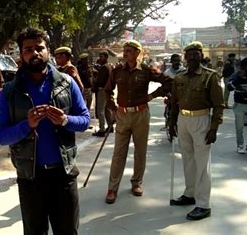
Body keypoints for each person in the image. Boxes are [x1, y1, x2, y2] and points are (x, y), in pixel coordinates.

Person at [0, 27, 89, 235]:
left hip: (64, 174)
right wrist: (26, 124)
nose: (35, 53)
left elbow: (84, 121)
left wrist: (65, 119)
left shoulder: (66, 83)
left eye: (40, 48)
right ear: (21, 54)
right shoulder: (10, 91)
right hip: (30, 177)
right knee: (35, 231)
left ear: (48, 51)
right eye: (28, 49)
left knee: (67, 231)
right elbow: (1, 135)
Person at [104, 40, 172, 203]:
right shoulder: (117, 70)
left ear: (137, 53)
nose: (125, 53)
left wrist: (152, 96)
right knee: (119, 153)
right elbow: (107, 90)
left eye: (129, 50)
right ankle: (112, 187)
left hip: (141, 114)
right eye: (124, 50)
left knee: (140, 151)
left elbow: (169, 82)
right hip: (122, 115)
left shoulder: (147, 70)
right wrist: (113, 108)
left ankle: (137, 182)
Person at [168, 41, 224, 221]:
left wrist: (214, 128)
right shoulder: (180, 77)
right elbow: (174, 102)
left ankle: (203, 204)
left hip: (201, 120)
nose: (192, 57)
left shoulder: (210, 77)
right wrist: (171, 123)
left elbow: (218, 105)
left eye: (195, 54)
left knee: (202, 163)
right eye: (189, 54)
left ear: (201, 55)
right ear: (185, 57)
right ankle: (190, 193)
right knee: (187, 159)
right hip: (183, 120)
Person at [92, 50, 112, 137]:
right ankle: (110, 126)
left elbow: (100, 80)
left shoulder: (104, 67)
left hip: (102, 90)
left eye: (101, 56)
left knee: (100, 110)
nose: (100, 58)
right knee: (107, 109)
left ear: (106, 57)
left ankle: (102, 129)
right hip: (107, 90)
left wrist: (95, 77)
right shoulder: (109, 66)